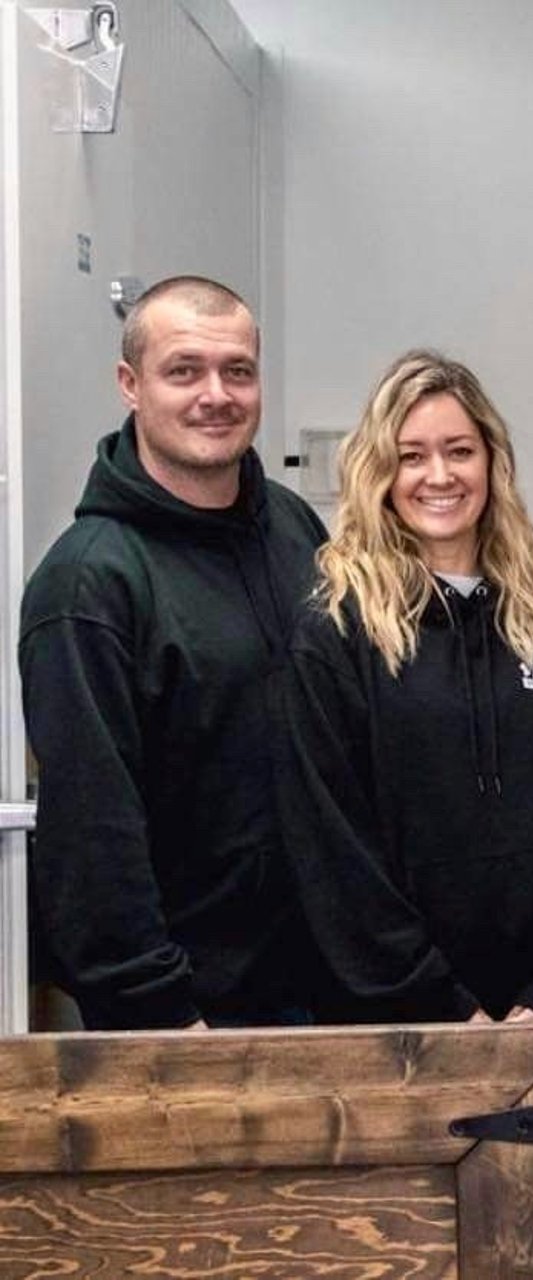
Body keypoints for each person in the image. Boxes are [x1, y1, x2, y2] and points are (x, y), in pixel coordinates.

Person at [19, 275, 327, 1029]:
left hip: (322, 986)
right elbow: (91, 833)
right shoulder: (88, 584)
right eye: (183, 370)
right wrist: (159, 1014)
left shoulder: (292, 528)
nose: (215, 395)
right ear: (131, 384)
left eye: (238, 371)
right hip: (187, 1014)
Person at [279, 351, 533, 1021]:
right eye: (411, 456)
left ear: (492, 463)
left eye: (459, 450)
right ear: (380, 472)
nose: (439, 475)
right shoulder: (337, 634)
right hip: (399, 1023)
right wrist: (443, 1007)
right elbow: (332, 851)